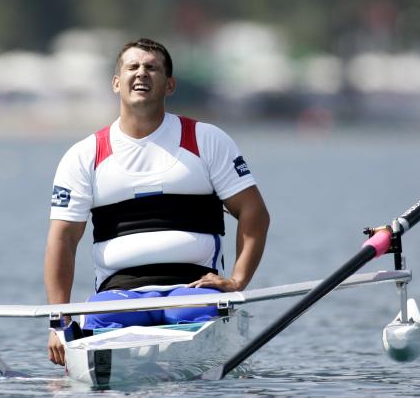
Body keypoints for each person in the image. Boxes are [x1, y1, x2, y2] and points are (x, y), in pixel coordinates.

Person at [44, 38, 270, 366]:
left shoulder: (207, 140)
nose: (142, 74)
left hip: (193, 287)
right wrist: (59, 322)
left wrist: (237, 281)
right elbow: (62, 239)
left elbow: (254, 213)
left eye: (152, 68)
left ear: (170, 84)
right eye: (132, 67)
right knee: (101, 320)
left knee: (189, 308)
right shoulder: (84, 156)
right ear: (116, 82)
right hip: (118, 296)